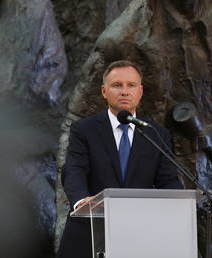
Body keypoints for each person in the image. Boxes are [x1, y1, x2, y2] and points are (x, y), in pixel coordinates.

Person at [57, 60, 184, 258]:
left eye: (131, 85)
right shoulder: (84, 129)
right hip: (89, 232)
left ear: (140, 92)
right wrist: (82, 201)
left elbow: (168, 180)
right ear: (104, 91)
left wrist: (178, 204)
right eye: (117, 85)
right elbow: (74, 170)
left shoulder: (155, 134)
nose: (124, 91)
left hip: (140, 235)